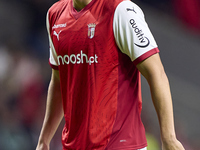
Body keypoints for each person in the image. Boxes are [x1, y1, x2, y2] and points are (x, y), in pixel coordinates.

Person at [36, 0, 185, 149]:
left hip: (120, 144)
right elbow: (59, 81)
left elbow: (156, 73)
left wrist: (169, 137)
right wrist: (44, 140)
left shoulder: (121, 10)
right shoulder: (54, 15)